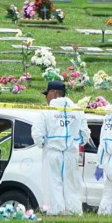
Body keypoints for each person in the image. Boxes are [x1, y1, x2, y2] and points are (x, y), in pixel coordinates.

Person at [32, 81, 90, 215]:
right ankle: (73, 212)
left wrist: (45, 144)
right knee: (72, 184)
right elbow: (85, 135)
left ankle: (56, 212)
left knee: (53, 185)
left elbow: (37, 135)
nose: (46, 98)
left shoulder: (46, 112)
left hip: (52, 153)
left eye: (47, 94)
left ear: (54, 93)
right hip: (71, 154)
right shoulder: (77, 111)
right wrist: (74, 142)